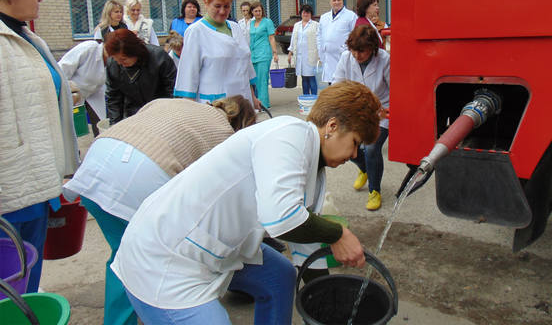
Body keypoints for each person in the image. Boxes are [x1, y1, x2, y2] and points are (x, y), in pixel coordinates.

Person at [111, 81, 380, 325]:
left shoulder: (314, 168)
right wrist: (337, 234)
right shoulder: (289, 135)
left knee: (280, 277)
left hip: (209, 247)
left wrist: (327, 305)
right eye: (355, 143)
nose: (354, 155)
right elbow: (283, 218)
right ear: (332, 126)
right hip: (164, 257)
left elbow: (303, 240)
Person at [63, 97, 256, 325]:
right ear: (242, 124)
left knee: (122, 251)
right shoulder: (225, 135)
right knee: (145, 259)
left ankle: (120, 319)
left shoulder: (177, 102)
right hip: (141, 176)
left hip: (96, 162)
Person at [0, 0, 79, 293]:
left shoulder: (28, 38)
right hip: (11, 188)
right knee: (10, 285)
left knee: (26, 280)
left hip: (36, 182)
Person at [174, 0, 260, 108]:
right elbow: (188, 74)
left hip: (243, 101)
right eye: (217, 6)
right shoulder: (196, 31)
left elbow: (245, 65)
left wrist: (253, 98)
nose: (222, 11)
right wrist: (190, 110)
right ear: (206, 3)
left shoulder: (235, 28)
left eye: (226, 6)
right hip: (215, 104)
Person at [333, 25, 390, 211]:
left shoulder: (385, 60)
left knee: (372, 147)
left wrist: (386, 109)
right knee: (344, 144)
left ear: (373, 48)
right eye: (353, 50)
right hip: (356, 110)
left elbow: (397, 89)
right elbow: (337, 86)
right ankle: (365, 168)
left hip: (381, 111)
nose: (357, 55)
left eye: (362, 51)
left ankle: (375, 191)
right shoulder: (346, 58)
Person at [104, 29, 176, 125]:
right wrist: (115, 125)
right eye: (116, 59)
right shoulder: (113, 65)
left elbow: (172, 90)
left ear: (134, 51)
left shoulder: (158, 57)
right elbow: (113, 98)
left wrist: (167, 117)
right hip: (132, 115)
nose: (120, 63)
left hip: (160, 113)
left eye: (123, 59)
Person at [58, 39, 108, 136]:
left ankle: (99, 144)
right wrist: (64, 91)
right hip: (70, 93)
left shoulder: (113, 61)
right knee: (70, 128)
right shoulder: (89, 48)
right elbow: (63, 69)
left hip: (93, 95)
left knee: (100, 124)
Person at [317, 0, 357, 84]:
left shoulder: (351, 16)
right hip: (328, 57)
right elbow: (319, 35)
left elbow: (355, 35)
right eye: (334, 0)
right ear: (330, 2)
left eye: (339, 0)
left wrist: (348, 49)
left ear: (342, 1)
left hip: (343, 57)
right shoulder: (324, 17)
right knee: (331, 85)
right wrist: (320, 50)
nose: (337, 2)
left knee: (343, 85)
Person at [249, 1, 278, 108]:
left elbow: (271, 37)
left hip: (264, 54)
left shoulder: (267, 22)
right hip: (253, 54)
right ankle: (256, 102)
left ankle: (264, 104)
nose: (258, 13)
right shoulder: (251, 23)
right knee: (255, 80)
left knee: (262, 79)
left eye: (259, 11)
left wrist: (275, 53)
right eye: (256, 11)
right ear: (252, 12)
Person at [287, 4, 319, 95]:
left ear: (311, 14)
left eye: (308, 12)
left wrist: (320, 55)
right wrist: (290, 53)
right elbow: (293, 40)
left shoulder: (316, 25)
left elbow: (320, 40)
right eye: (304, 12)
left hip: (311, 56)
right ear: (301, 13)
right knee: (304, 79)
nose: (305, 14)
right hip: (300, 57)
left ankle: (313, 99)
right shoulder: (297, 25)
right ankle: (306, 99)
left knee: (312, 78)